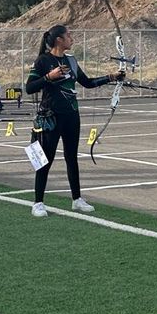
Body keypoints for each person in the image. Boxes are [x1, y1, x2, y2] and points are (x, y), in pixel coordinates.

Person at [24, 24, 123, 217]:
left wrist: (111, 77)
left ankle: (77, 199)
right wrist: (49, 76)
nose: (72, 39)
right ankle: (38, 203)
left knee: (72, 158)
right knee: (45, 160)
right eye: (68, 36)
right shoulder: (43, 60)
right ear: (59, 40)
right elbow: (30, 88)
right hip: (51, 117)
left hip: (71, 116)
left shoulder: (71, 60)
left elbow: (87, 83)